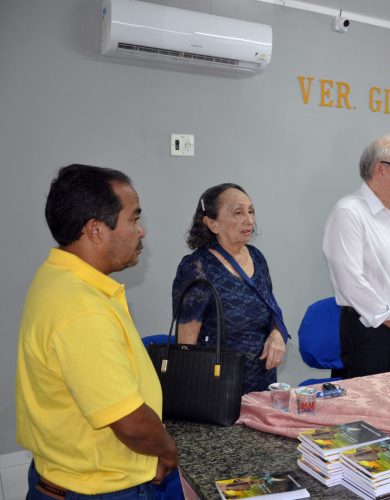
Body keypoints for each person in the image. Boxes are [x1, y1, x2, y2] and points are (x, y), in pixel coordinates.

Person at [17, 164, 178, 498]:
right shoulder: (81, 307)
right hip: (97, 489)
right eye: (134, 219)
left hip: (73, 477)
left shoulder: (57, 276)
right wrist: (166, 450)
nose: (141, 231)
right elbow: (130, 423)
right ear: (95, 230)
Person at [322, 134, 390, 378]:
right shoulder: (349, 212)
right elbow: (351, 282)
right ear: (380, 170)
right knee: (368, 411)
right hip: (370, 333)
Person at [172, 183, 289, 394]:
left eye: (251, 211)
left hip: (262, 381)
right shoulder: (196, 267)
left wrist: (277, 335)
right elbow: (186, 347)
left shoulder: (257, 257)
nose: (249, 220)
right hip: (217, 389)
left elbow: (271, 308)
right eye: (238, 212)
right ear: (212, 223)